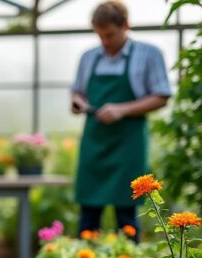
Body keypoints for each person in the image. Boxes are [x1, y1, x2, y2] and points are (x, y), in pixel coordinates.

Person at [71, 1, 170, 238]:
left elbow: (162, 96)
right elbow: (77, 91)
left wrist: (122, 109)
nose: (104, 42)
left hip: (128, 144)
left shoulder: (149, 54)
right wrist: (79, 103)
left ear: (126, 26)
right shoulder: (89, 57)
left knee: (127, 215)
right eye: (100, 36)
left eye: (109, 35)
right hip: (94, 143)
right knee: (88, 214)